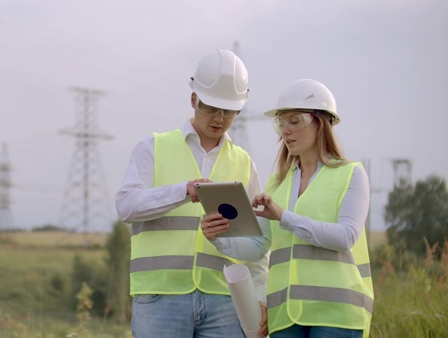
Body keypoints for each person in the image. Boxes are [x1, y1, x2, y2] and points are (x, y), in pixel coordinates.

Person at [115, 49, 270, 338]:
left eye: (229, 111)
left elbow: (259, 240)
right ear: (193, 99)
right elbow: (126, 206)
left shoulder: (244, 164)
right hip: (160, 298)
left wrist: (260, 297)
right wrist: (181, 191)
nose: (219, 118)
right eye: (211, 107)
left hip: (226, 299)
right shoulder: (153, 148)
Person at [202, 79, 373, 338]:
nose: (285, 131)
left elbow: (346, 236)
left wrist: (284, 217)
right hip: (285, 316)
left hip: (336, 315)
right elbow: (260, 246)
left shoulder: (351, 174)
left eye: (295, 122)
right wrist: (220, 239)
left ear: (321, 122)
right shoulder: (277, 182)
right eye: (281, 123)